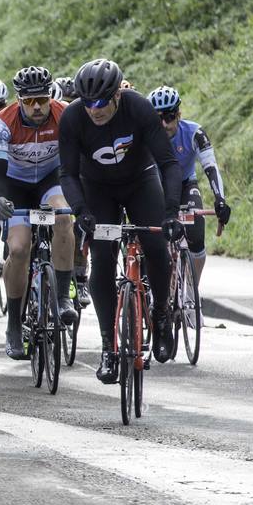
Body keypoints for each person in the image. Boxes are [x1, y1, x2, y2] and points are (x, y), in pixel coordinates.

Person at [59, 59, 183, 381]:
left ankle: (160, 313)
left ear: (116, 96)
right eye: (87, 102)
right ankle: (107, 346)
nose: (94, 109)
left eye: (101, 102)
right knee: (101, 258)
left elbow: (168, 164)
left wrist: (170, 212)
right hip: (98, 189)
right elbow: (68, 174)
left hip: (140, 181)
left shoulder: (138, 108)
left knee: (157, 246)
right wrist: (80, 210)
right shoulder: (73, 117)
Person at [0, 66, 76, 359]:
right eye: (29, 102)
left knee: (64, 217)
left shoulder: (65, 115)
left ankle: (62, 296)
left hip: (51, 180)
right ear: (19, 100)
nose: (37, 107)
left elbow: (78, 163)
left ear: (50, 96)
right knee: (20, 248)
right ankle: (14, 324)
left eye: (42, 99)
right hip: (15, 184)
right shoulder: (2, 123)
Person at [148, 85, 231, 286]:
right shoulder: (146, 137)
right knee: (150, 240)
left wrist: (220, 199)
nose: (164, 124)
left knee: (195, 232)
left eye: (168, 117)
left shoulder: (194, 133)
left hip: (185, 185)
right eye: (157, 119)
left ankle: (191, 293)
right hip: (154, 187)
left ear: (178, 114)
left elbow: (210, 166)